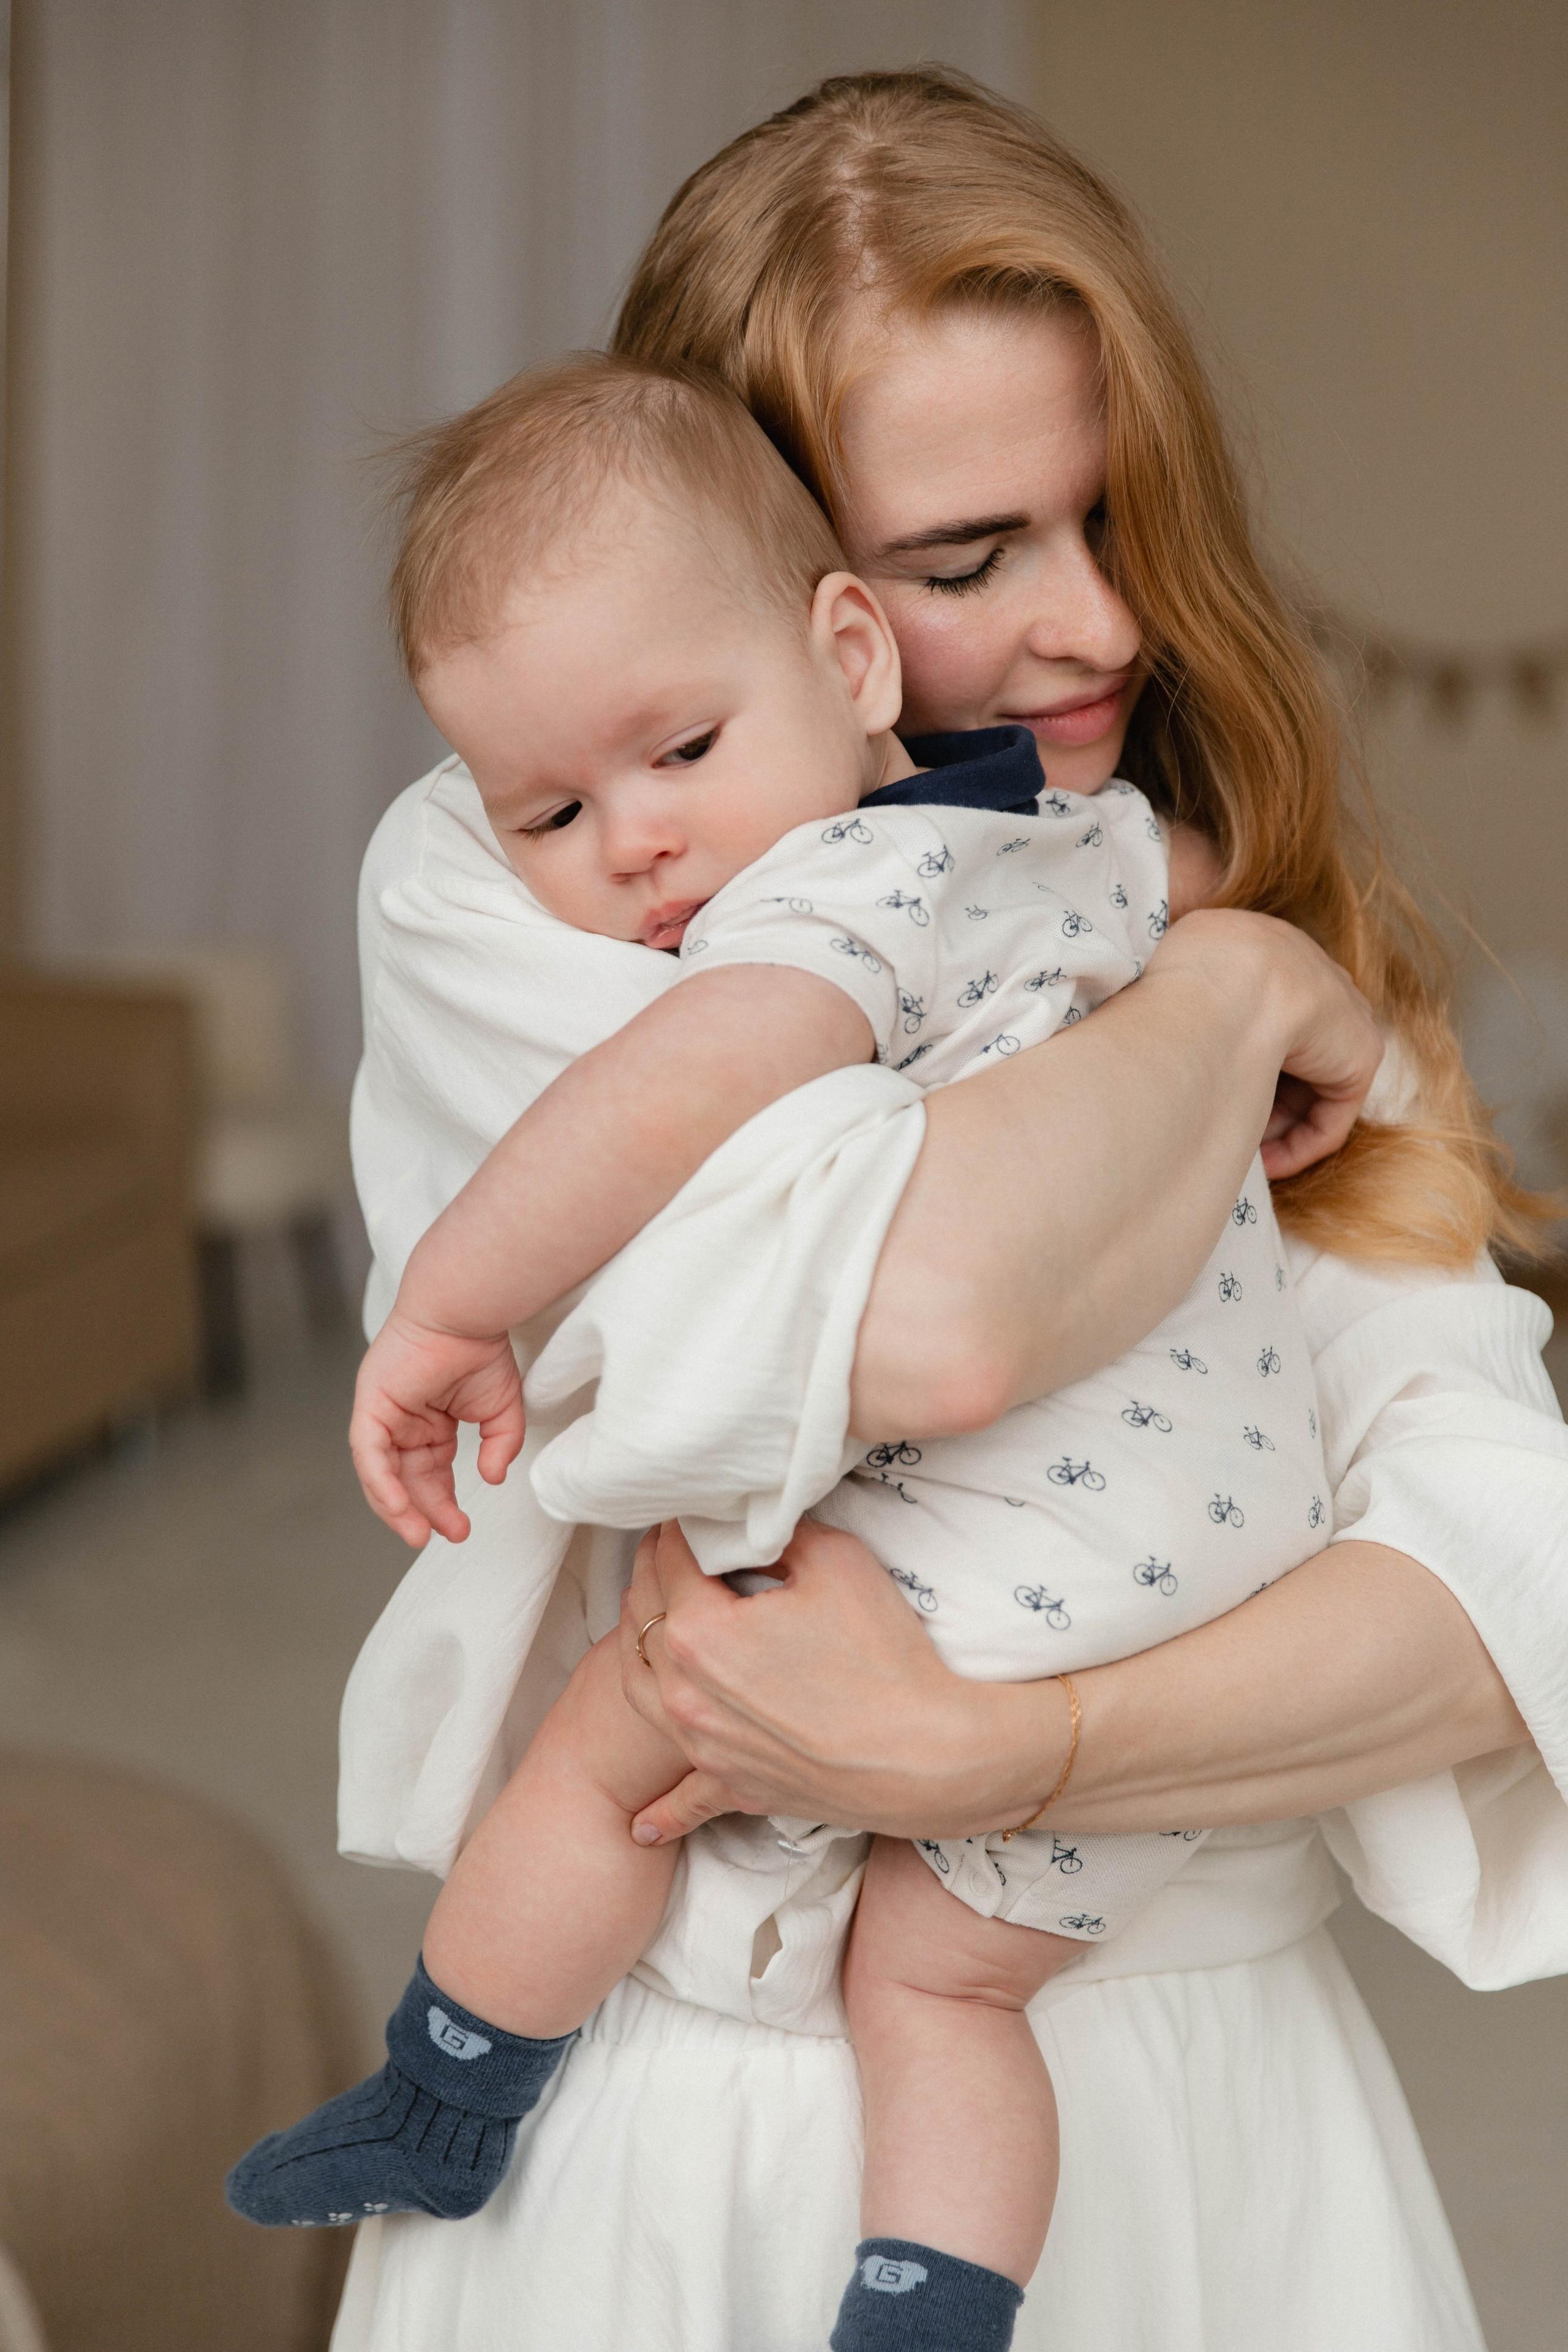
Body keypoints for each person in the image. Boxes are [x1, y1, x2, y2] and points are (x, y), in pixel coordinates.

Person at [330, 69, 1568, 2352]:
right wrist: (1226, 1003)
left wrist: (1023, 1757)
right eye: (972, 559)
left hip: (1202, 2097)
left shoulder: (1227, 894)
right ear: (789, 602)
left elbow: (1506, 1597)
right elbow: (937, 1322)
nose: (1101, 624)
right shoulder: (542, 884)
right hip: (706, 2131)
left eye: (1117, 517)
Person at [229, 355, 1376, 2350]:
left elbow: (656, 1102)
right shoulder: (1073, 833)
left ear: (849, 658)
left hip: (1017, 1537)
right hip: (1221, 1523)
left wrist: (444, 1309)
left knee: (615, 1742)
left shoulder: (833, 897)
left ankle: (448, 2084)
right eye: (554, 812)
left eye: (682, 750)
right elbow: (1197, 888)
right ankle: (928, 2309)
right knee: (944, 1973)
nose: (641, 843)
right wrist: (1292, 985)